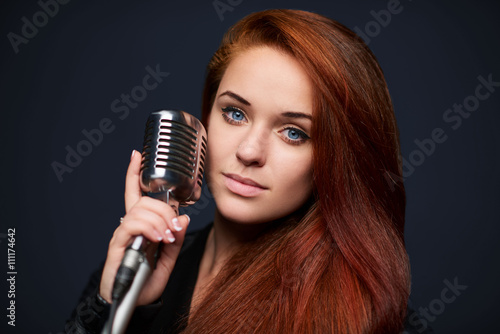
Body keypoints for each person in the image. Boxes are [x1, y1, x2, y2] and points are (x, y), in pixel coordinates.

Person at [67, 9, 430, 334]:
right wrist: (120, 306)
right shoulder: (135, 264)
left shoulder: (362, 317)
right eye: (235, 113)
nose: (249, 151)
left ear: (337, 159)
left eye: (294, 133)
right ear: (206, 115)